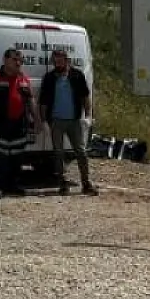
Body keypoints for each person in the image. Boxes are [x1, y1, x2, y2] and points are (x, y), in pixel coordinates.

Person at [0, 49, 40, 199]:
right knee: (2, 157)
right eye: (15, 60)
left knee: (17, 157)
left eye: (20, 60)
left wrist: (37, 120)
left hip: (19, 124)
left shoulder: (23, 79)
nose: (18, 63)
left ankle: (14, 185)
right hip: (1, 123)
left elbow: (31, 101)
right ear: (5, 60)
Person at [38, 48, 95, 196]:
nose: (57, 64)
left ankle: (86, 183)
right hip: (56, 121)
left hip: (74, 121)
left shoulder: (77, 75)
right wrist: (44, 121)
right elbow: (43, 101)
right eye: (55, 61)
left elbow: (85, 97)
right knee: (58, 153)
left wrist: (88, 116)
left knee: (81, 152)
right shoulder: (49, 78)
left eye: (60, 61)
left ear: (66, 60)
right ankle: (62, 183)